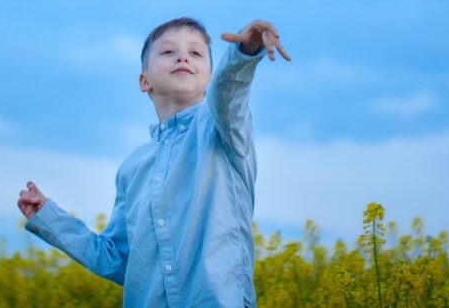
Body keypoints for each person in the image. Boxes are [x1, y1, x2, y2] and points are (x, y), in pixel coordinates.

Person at [18, 17, 290, 307]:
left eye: (195, 53)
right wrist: (50, 218)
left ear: (210, 78)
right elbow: (118, 258)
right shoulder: (133, 167)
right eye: (168, 52)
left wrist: (243, 53)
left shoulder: (223, 131)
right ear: (144, 80)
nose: (183, 56)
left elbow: (230, 94)